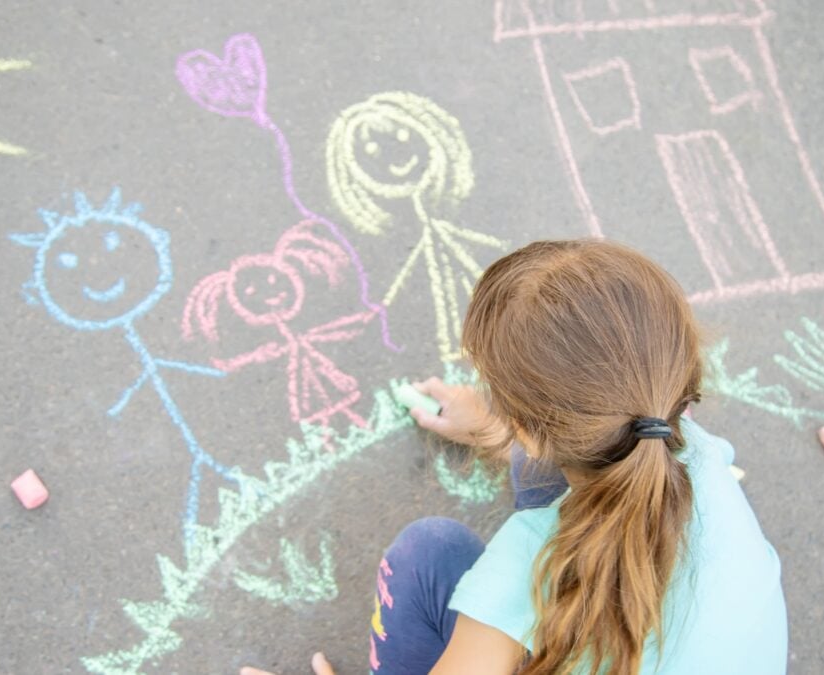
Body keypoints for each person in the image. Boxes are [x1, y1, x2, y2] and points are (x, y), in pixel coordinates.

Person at [242, 240, 788, 675]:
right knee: (538, 473)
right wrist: (495, 427)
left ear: (527, 428)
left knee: (429, 554)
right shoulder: (688, 447)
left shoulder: (522, 571)